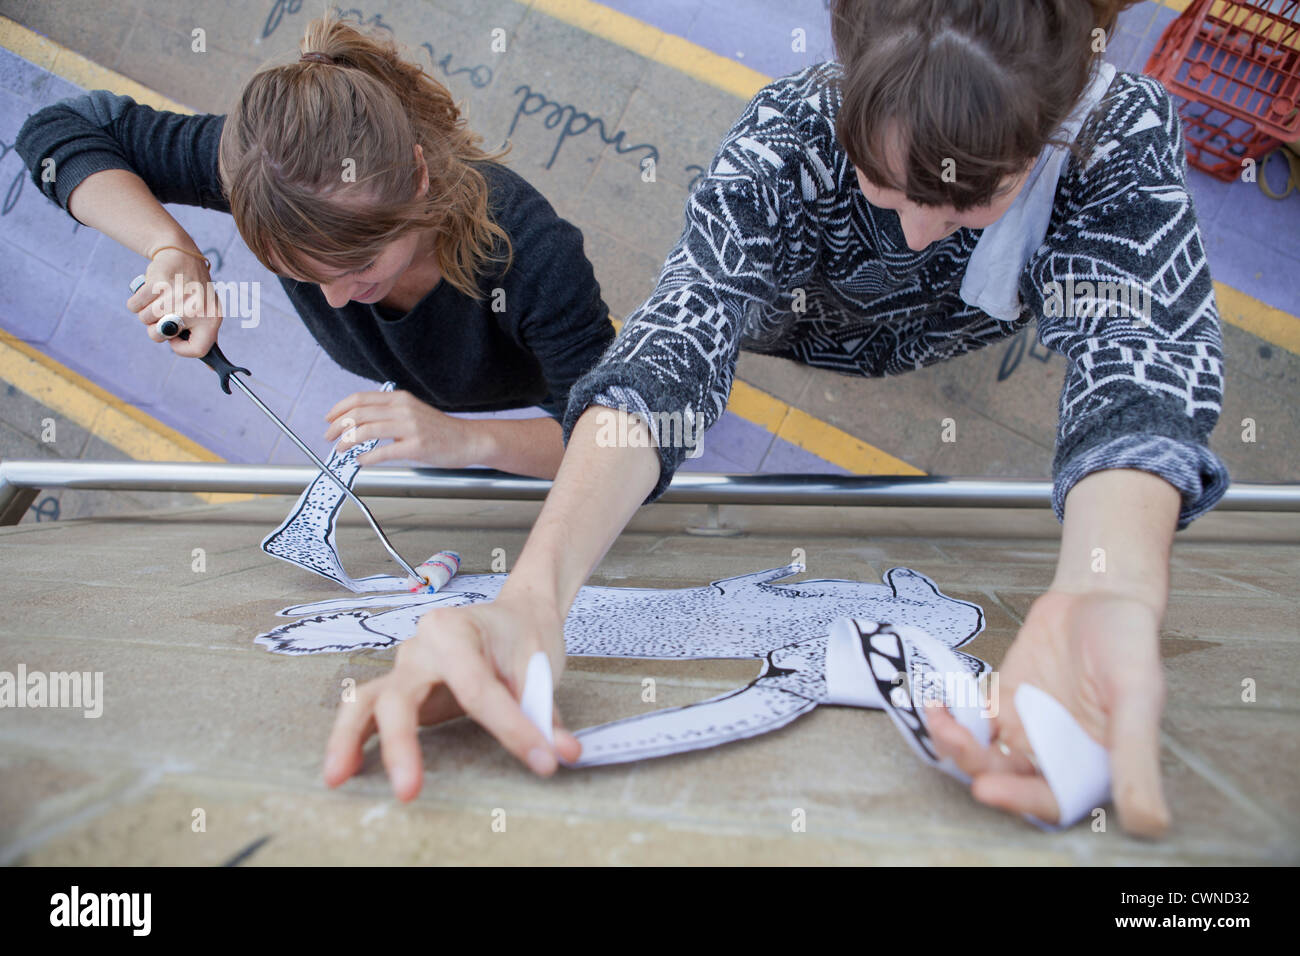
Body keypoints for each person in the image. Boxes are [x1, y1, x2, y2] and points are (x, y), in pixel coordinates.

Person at [322, 0, 1228, 836]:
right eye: (884, 184)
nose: (918, 234)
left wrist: (1106, 587)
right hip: (800, 320)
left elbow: (1137, 354)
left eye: (967, 201)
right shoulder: (786, 136)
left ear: (1053, 129)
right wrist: (533, 595)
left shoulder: (1120, 134)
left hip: (932, 339)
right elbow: (679, 339)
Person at [15, 13, 614, 478]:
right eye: (300, 272)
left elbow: (625, 439)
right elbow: (58, 131)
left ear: (418, 177)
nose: (334, 301)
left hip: (536, 387)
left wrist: (468, 440)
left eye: (359, 265)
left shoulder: (532, 254)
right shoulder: (266, 171)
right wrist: (171, 249)